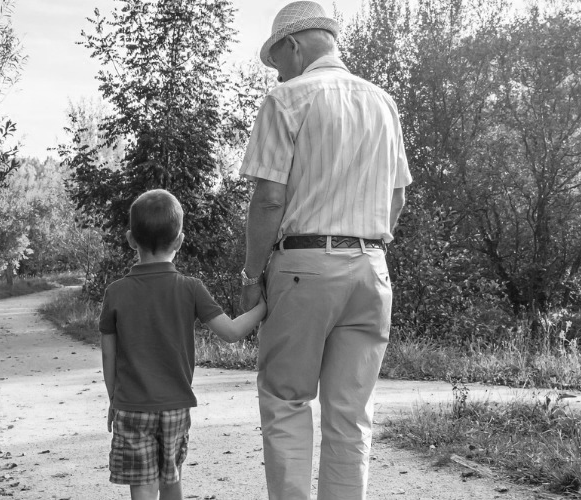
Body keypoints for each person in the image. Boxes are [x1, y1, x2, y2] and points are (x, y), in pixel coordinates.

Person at [237, 2, 412, 499]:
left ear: (294, 46)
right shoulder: (383, 102)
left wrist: (252, 276)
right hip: (371, 270)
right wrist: (369, 247)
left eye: (279, 61)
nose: (279, 71)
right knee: (351, 414)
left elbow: (270, 197)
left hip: (304, 268)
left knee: (288, 401)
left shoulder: (287, 99)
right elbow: (397, 196)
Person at [100, 189, 266, 500]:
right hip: (175, 407)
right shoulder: (190, 288)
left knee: (144, 488)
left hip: (132, 407)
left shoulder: (115, 293)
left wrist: (114, 400)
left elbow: (109, 355)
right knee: (172, 477)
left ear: (130, 239)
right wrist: (263, 308)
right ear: (179, 241)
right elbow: (230, 332)